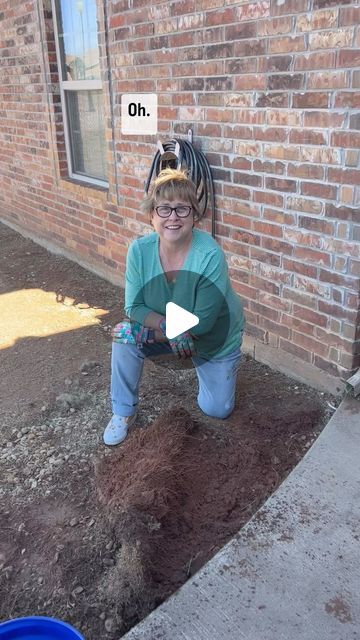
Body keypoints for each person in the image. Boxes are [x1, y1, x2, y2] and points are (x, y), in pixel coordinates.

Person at [103, 168, 245, 445]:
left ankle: (217, 367)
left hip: (214, 336)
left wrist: (147, 334)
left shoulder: (209, 255)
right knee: (124, 336)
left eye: (182, 209)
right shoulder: (139, 251)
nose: (173, 217)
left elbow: (201, 324)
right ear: (152, 215)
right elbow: (134, 306)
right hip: (172, 330)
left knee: (217, 409)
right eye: (164, 209)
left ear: (194, 216)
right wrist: (164, 328)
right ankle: (123, 412)